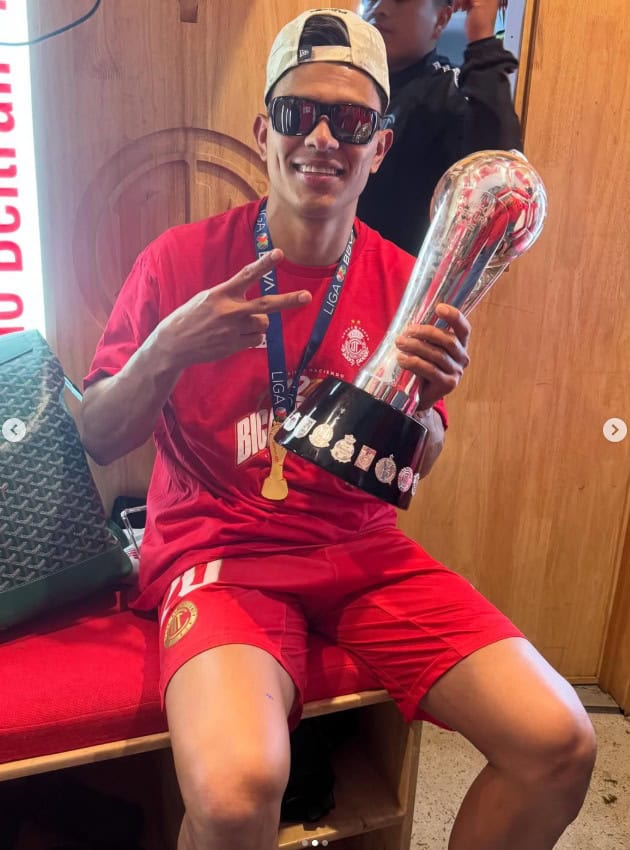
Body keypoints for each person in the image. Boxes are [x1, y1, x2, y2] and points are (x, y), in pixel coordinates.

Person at [78, 9, 595, 850]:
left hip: (360, 551)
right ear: (265, 132)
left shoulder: (407, 278)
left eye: (350, 120)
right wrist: (168, 348)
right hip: (222, 552)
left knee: (560, 743)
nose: (322, 137)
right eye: (299, 113)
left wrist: (421, 407)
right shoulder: (178, 261)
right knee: (238, 793)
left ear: (379, 147)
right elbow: (99, 436)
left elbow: (418, 462)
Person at [357, 0, 523, 254]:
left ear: (442, 20)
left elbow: (500, 177)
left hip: (406, 273)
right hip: (334, 269)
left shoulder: (450, 94)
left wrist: (482, 39)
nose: (379, 9)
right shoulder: (343, 87)